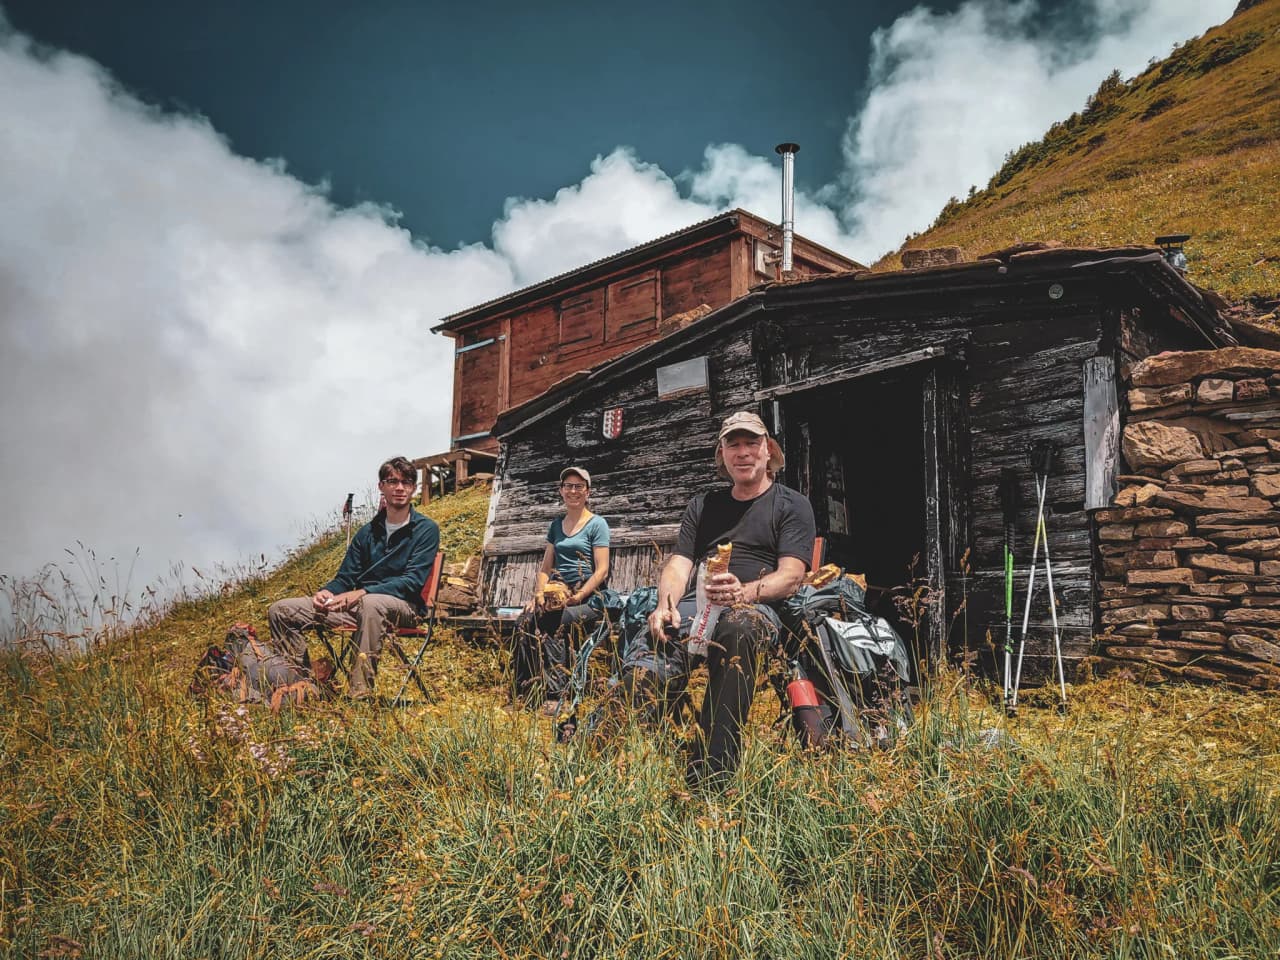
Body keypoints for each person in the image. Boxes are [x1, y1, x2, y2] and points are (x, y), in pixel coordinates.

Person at [620, 411, 815, 787]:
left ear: (768, 450)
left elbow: (792, 575)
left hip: (756, 606)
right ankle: (607, 756)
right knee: (654, 636)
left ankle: (712, 772)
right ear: (722, 454)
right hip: (698, 606)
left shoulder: (790, 504)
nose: (743, 453)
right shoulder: (704, 505)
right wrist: (665, 605)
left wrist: (745, 593)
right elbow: (679, 563)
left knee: (738, 627)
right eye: (733, 445)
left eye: (751, 443)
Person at [268, 456, 440, 699]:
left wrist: (363, 592)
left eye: (407, 482)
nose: (399, 488)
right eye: (392, 481)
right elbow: (346, 577)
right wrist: (327, 591)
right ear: (381, 486)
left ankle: (359, 695)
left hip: (405, 607)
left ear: (414, 488)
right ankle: (302, 687)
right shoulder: (368, 532)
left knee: (371, 604)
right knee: (281, 610)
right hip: (359, 606)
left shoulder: (425, 529)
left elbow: (412, 581)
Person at [512, 466, 611, 715]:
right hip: (558, 592)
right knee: (523, 621)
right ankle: (524, 691)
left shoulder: (597, 524)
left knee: (553, 621)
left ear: (588, 492)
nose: (573, 491)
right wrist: (538, 593)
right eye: (568, 486)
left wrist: (579, 595)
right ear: (561, 491)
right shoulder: (556, 525)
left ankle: (557, 696)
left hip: (590, 596)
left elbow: (602, 571)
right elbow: (546, 566)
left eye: (579, 486)